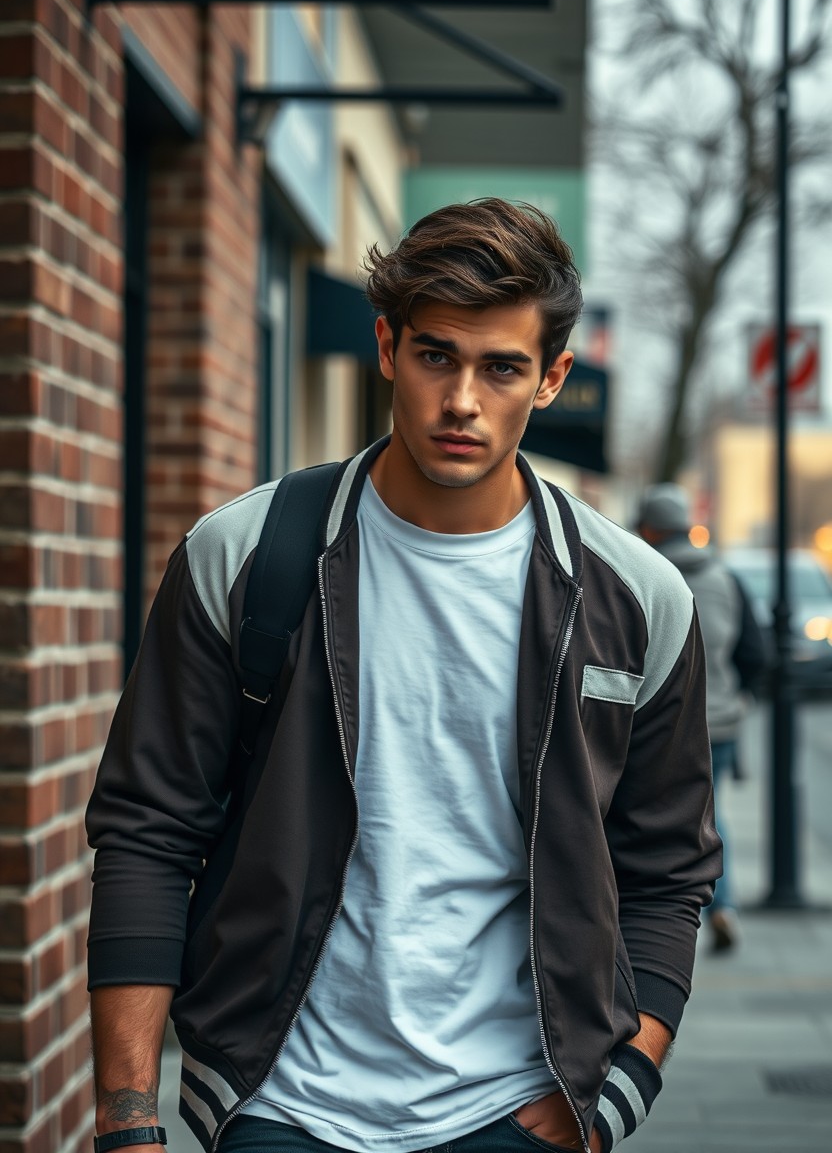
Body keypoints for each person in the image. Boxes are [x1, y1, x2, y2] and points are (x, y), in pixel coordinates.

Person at [86, 199, 721, 1153]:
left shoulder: (636, 599)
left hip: (518, 1109)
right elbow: (147, 830)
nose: (462, 399)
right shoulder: (245, 556)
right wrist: (127, 1119)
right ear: (386, 347)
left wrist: (618, 1090)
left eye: (501, 367)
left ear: (550, 379)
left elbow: (667, 867)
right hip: (279, 1105)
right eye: (437, 356)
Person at [636, 483, 766, 951]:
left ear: (649, 527)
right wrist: (736, 695)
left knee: (661, 815)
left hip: (663, 720)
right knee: (714, 814)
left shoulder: (642, 574)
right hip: (722, 721)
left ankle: (686, 910)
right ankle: (719, 906)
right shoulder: (725, 577)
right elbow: (755, 652)